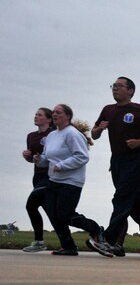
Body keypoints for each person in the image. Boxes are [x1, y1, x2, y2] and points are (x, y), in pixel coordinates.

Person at [91, 77, 140, 256]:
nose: (115, 88)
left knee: (121, 199)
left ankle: (107, 240)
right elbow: (94, 134)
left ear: (130, 91)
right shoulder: (108, 110)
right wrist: (99, 128)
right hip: (116, 161)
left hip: (135, 160)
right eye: (113, 86)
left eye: (119, 86)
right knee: (136, 203)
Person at [33, 104, 112, 256]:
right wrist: (38, 159)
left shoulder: (72, 134)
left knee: (65, 214)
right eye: (54, 112)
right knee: (53, 215)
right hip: (53, 180)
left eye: (58, 112)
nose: (54, 114)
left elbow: (82, 156)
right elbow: (47, 160)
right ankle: (68, 246)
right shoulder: (51, 136)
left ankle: (96, 229)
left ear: (67, 116)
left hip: (71, 181)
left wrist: (62, 165)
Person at [21, 107, 54, 252]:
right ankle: (69, 241)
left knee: (31, 205)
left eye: (39, 115)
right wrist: (28, 156)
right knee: (53, 212)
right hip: (37, 175)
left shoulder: (53, 134)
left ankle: (39, 241)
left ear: (48, 119)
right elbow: (32, 159)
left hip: (50, 175)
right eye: (35, 114)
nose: (36, 117)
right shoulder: (30, 136)